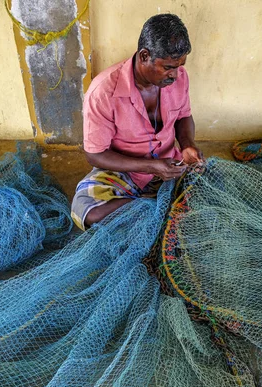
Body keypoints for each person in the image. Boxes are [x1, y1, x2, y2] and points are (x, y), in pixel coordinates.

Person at [71, 13, 203, 230]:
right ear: (144, 56)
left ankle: (150, 210)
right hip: (125, 171)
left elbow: (183, 116)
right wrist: (150, 166)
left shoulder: (180, 78)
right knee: (88, 211)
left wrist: (188, 145)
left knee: (213, 189)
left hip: (171, 165)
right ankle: (158, 208)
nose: (175, 75)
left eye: (179, 66)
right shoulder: (103, 91)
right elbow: (95, 154)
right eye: (168, 67)